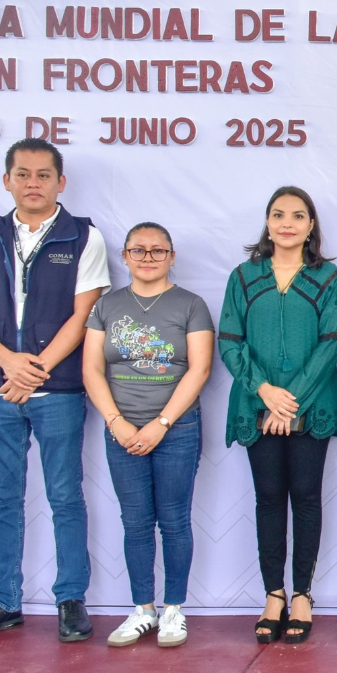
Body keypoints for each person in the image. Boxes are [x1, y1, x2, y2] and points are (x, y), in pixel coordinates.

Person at [0, 139, 110, 644]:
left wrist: (33, 371)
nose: (33, 183)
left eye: (43, 175)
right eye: (23, 174)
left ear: (61, 182)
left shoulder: (83, 236)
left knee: (65, 496)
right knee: (3, 498)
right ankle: (3, 600)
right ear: (7, 181)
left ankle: (70, 599)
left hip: (57, 390)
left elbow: (84, 315)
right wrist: (8, 363)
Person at [219, 187, 337, 645]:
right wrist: (264, 391)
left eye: (297, 215)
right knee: (269, 498)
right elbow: (229, 341)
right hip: (256, 405)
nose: (287, 223)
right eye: (278, 215)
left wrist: (289, 401)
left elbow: (332, 343)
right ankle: (273, 594)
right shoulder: (243, 276)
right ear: (267, 222)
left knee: (306, 497)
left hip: (312, 406)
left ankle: (302, 595)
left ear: (311, 225)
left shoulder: (329, 278)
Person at [83, 222, 214, 648]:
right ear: (124, 257)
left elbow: (200, 369)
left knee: (174, 520)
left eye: (158, 250)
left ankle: (174, 609)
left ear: (172, 257)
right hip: (121, 431)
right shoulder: (106, 305)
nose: (148, 258)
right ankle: (143, 609)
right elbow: (92, 369)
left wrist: (161, 424)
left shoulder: (191, 305)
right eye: (138, 250)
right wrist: (116, 422)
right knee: (135, 522)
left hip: (177, 430)